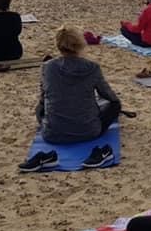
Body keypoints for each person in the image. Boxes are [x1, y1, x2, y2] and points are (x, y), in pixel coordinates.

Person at [23, 26, 122, 171]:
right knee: (115, 105)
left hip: (52, 133)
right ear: (80, 44)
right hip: (88, 131)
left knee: (41, 107)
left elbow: (44, 98)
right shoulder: (92, 68)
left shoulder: (47, 67)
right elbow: (110, 96)